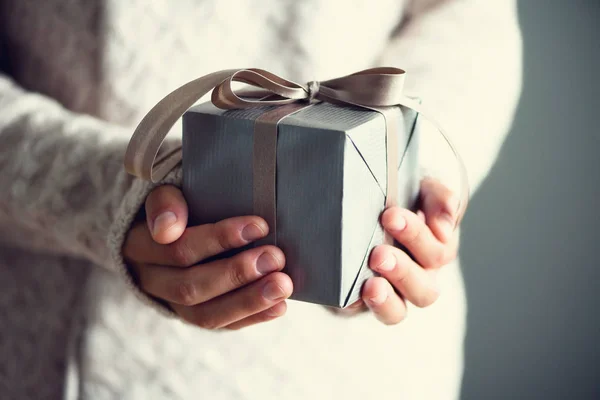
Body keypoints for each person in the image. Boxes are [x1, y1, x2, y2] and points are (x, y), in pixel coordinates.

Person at [0, 1, 522, 399]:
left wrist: (403, 183)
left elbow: (470, 20)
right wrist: (111, 198)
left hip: (356, 366)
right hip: (47, 328)